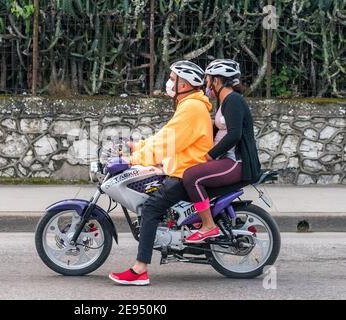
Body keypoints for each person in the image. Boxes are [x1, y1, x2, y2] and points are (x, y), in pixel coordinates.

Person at [108, 60, 213, 286]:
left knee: (150, 208)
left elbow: (168, 143)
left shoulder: (192, 108)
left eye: (173, 79)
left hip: (184, 170)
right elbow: (165, 137)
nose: (169, 83)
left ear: (184, 85)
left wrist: (132, 160)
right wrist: (139, 145)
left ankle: (140, 270)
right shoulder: (189, 105)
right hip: (180, 167)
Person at [182, 59, 261, 243]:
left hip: (236, 162)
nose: (206, 84)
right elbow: (217, 128)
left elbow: (234, 135)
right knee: (189, 170)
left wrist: (210, 155)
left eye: (208, 79)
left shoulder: (233, 100)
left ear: (217, 81)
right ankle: (197, 219)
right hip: (227, 160)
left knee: (191, 177)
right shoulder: (224, 101)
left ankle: (208, 225)